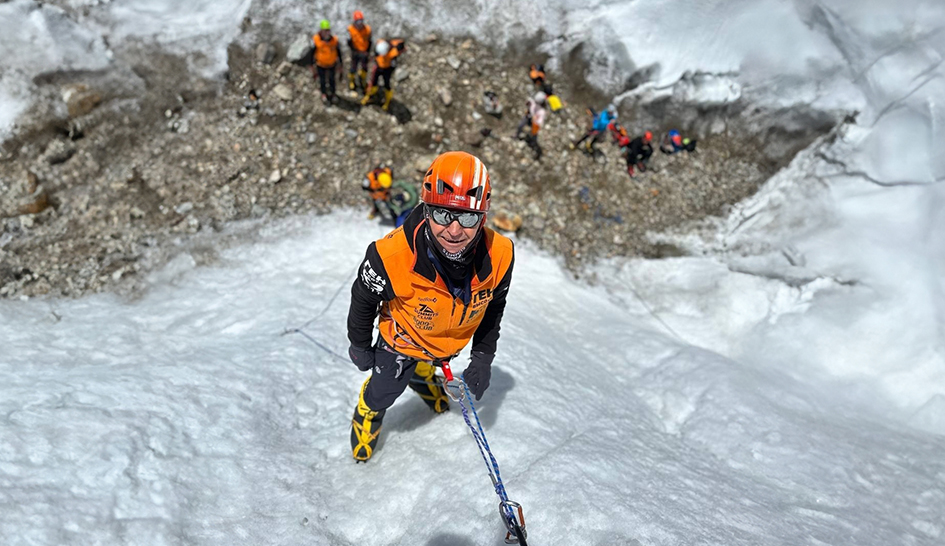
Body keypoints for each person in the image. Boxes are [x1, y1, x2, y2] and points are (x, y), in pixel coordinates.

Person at [346, 151, 515, 462]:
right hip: (401, 340)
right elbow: (364, 297)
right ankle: (369, 409)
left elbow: (495, 305)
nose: (454, 231)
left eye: (467, 217)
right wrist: (359, 344)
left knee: (427, 363)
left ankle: (421, 374)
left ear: (483, 218)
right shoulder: (390, 256)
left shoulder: (501, 255)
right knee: (384, 390)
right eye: (441, 214)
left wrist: (482, 355)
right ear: (425, 209)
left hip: (444, 344)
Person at [361, 38, 406, 111]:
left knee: (387, 84)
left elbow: (402, 49)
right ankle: (369, 95)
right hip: (378, 66)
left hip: (387, 69)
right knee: (373, 82)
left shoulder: (396, 50)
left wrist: (391, 69)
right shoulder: (379, 45)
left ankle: (387, 101)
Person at [310, 19, 342, 104]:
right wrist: (311, 65)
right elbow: (312, 53)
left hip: (332, 64)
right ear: (321, 31)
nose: (327, 33)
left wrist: (340, 64)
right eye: (325, 31)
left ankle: (333, 93)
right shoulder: (316, 40)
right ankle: (324, 93)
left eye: (328, 30)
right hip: (320, 64)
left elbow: (339, 52)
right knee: (322, 80)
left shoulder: (334, 40)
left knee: (332, 80)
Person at [515, 91, 548, 161]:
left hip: (534, 123)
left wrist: (535, 119)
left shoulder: (542, 111)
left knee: (534, 135)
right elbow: (529, 102)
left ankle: (535, 148)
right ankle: (517, 135)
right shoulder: (533, 102)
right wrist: (528, 103)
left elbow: (540, 122)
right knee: (520, 125)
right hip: (528, 117)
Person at [346, 11, 372, 93]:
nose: (360, 23)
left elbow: (370, 41)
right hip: (355, 52)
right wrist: (353, 50)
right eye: (358, 21)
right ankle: (352, 81)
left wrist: (368, 51)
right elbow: (348, 42)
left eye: (361, 21)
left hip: (364, 52)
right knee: (353, 67)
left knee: (364, 67)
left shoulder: (367, 29)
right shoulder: (350, 29)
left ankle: (362, 80)